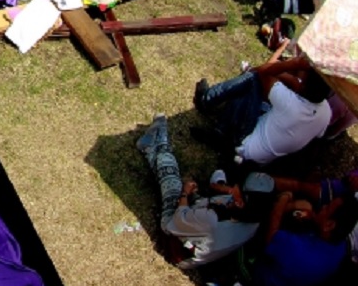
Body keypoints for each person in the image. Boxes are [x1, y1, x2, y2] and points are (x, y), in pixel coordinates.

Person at [137, 115, 262, 268]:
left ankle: (160, 141)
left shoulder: (211, 219)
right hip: (197, 231)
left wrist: (185, 193)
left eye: (238, 188)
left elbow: (177, 219)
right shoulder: (253, 219)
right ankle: (149, 149)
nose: (235, 186)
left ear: (240, 201)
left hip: (175, 240)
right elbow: (215, 197)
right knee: (181, 184)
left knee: (172, 181)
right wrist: (201, 195)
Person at [194, 57, 332, 164]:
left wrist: (292, 64)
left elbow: (262, 72)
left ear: (305, 85)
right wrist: (292, 79)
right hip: (263, 159)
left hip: (244, 145)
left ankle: (207, 100)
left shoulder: (290, 103)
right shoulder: (326, 111)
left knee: (253, 80)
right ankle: (221, 127)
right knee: (254, 95)